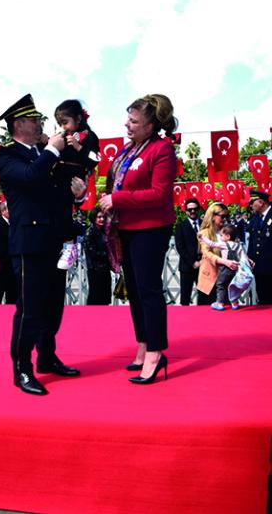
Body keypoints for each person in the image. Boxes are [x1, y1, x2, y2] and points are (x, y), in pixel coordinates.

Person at [0, 94, 86, 396]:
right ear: (19, 124)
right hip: (29, 242)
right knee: (30, 309)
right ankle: (22, 367)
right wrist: (51, 150)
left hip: (54, 240)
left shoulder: (46, 153)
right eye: (34, 120)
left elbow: (60, 189)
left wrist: (78, 195)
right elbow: (30, 177)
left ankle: (47, 355)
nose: (40, 125)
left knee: (53, 306)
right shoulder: (6, 155)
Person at [99, 93, 177, 385]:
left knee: (148, 290)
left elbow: (160, 194)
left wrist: (117, 200)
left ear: (151, 125)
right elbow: (115, 185)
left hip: (151, 228)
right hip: (127, 227)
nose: (127, 124)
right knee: (133, 289)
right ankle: (143, 344)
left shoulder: (162, 149)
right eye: (128, 119)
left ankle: (156, 352)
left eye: (133, 121)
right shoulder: (128, 149)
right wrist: (105, 206)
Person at [53, 99, 99, 270]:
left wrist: (80, 147)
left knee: (64, 209)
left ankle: (69, 245)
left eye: (65, 122)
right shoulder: (62, 136)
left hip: (73, 178)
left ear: (78, 119)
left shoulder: (89, 136)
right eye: (60, 123)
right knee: (54, 210)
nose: (63, 127)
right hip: (57, 175)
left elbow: (96, 158)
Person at [198, 224, 251, 310]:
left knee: (221, 285)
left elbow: (212, 244)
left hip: (224, 269)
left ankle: (220, 303)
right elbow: (243, 257)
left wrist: (203, 238)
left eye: (222, 235)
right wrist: (248, 265)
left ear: (228, 236)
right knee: (233, 286)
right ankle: (234, 303)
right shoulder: (239, 245)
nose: (220, 237)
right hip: (234, 270)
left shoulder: (224, 244)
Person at [197, 202, 239, 305]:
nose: (225, 219)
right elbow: (207, 253)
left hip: (227, 278)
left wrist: (246, 259)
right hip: (210, 279)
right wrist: (225, 262)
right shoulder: (204, 233)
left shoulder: (228, 232)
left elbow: (237, 249)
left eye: (227, 216)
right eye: (222, 216)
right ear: (212, 216)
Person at [174, 198, 202, 305]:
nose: (193, 211)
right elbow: (180, 248)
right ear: (186, 211)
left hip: (203, 266)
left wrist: (202, 261)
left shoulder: (205, 225)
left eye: (195, 209)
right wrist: (193, 263)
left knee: (204, 297)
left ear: (198, 209)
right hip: (187, 267)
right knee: (185, 298)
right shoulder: (180, 226)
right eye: (190, 210)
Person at [247, 190, 272, 304]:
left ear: (261, 202)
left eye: (252, 202)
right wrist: (249, 258)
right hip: (259, 266)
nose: (251, 205)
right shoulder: (255, 218)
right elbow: (252, 240)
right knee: (263, 299)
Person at [83, 207, 112, 305]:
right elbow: (92, 252)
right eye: (99, 217)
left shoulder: (105, 231)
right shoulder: (89, 232)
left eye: (103, 217)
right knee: (95, 296)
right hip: (95, 269)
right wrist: (108, 254)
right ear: (93, 218)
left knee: (105, 297)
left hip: (105, 268)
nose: (102, 219)